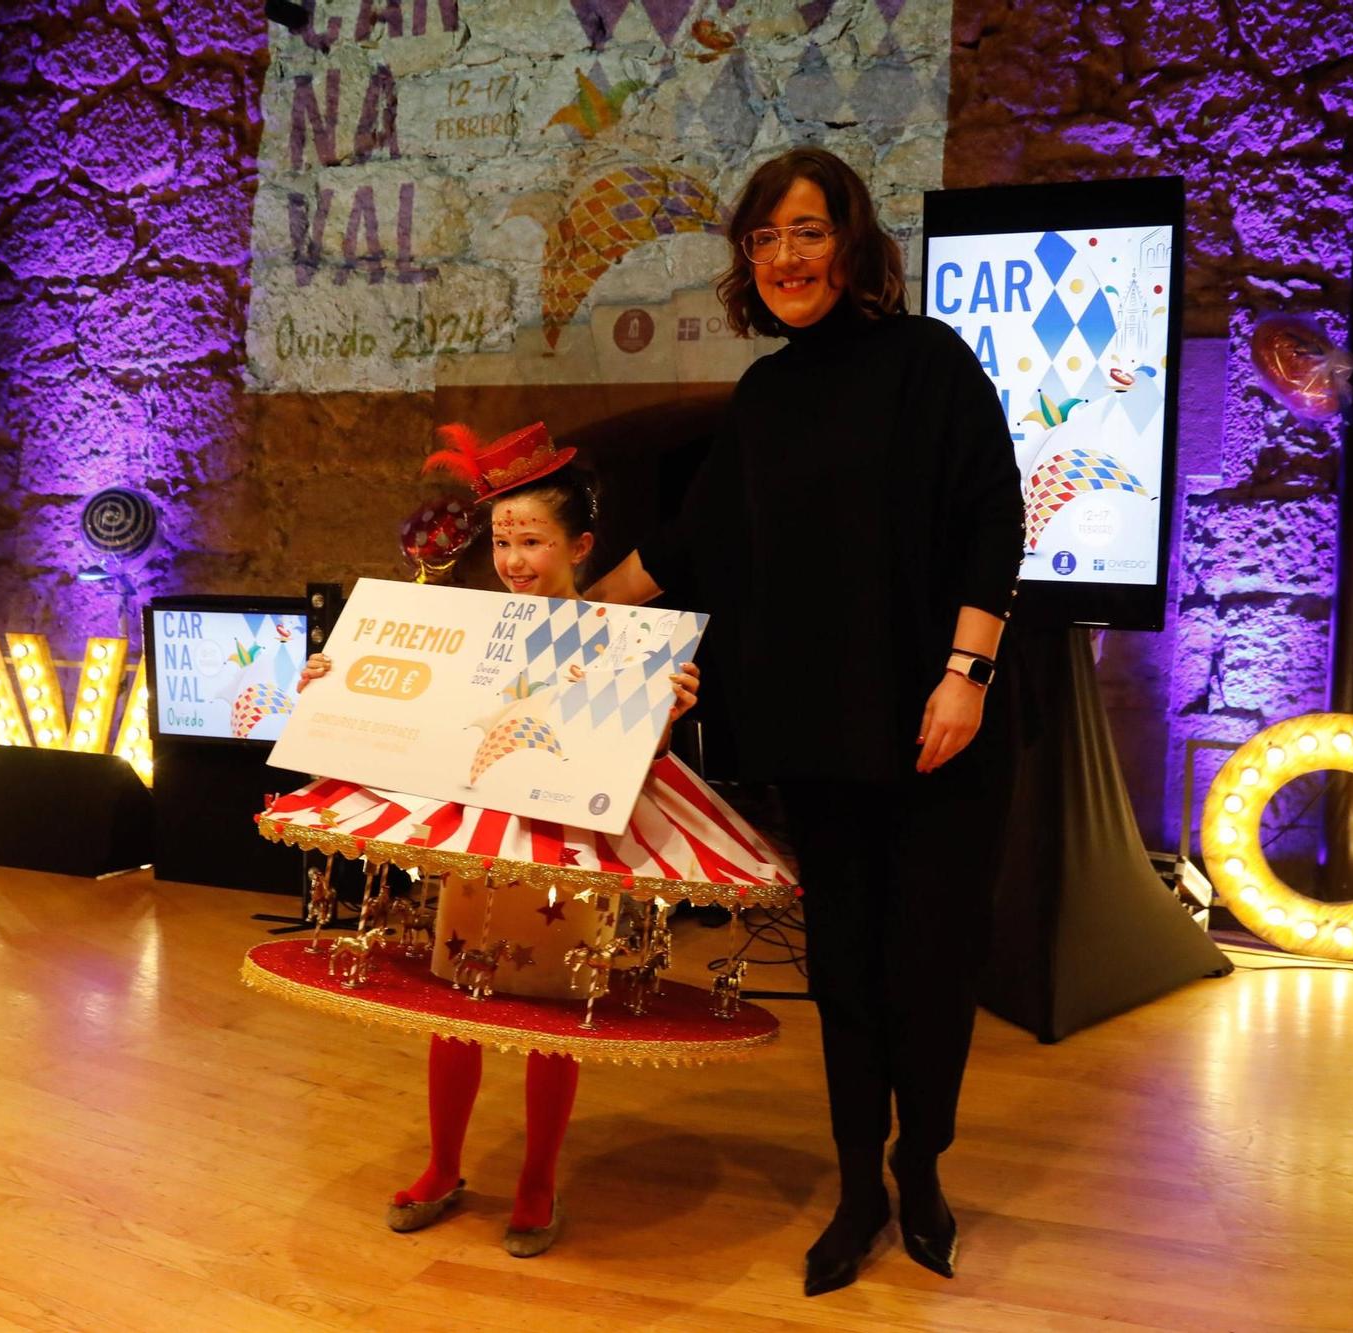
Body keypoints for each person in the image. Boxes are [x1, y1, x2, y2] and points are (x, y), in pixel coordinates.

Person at [587, 146, 1027, 1295]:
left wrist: (965, 673)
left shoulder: (926, 361)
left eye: (807, 231)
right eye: (763, 238)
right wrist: (561, 622)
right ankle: (854, 1189)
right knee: (843, 968)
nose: (784, 257)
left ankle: (919, 1171)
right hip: (820, 739)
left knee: (930, 965)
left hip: (941, 730)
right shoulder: (766, 397)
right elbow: (688, 546)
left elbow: (993, 514)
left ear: (851, 243)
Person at [264, 421, 792, 1259]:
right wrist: (336, 684)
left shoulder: (623, 639)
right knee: (457, 997)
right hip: (482, 835)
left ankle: (538, 1178)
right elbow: (399, 712)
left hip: (569, 842)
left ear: (579, 544)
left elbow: (633, 759)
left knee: (556, 1010)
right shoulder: (466, 628)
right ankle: (442, 1164)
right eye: (503, 540)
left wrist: (666, 713)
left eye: (533, 540)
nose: (514, 558)